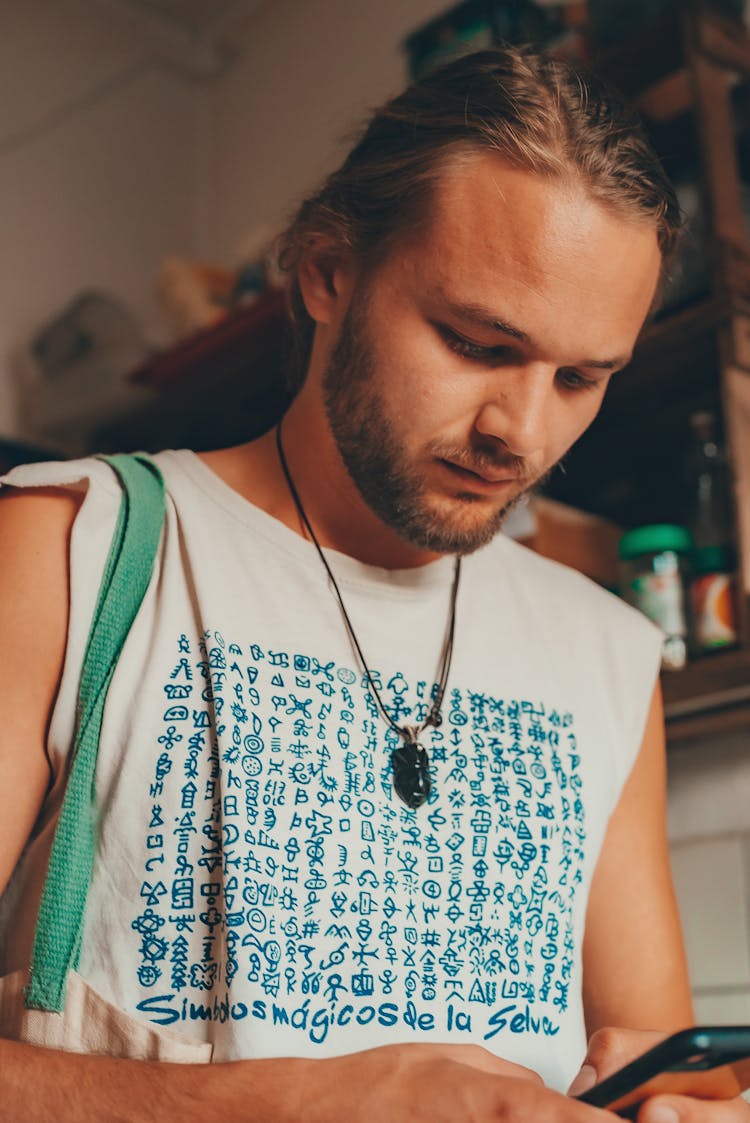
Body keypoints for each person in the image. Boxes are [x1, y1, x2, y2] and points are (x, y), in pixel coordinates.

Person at [0, 42, 746, 1123]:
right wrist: (304, 1101)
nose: (521, 433)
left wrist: (688, 1108)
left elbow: (678, 1074)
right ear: (327, 272)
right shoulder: (73, 549)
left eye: (581, 378)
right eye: (477, 342)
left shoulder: (605, 652)